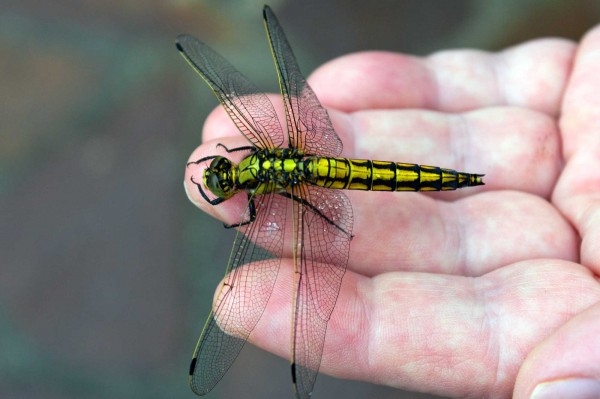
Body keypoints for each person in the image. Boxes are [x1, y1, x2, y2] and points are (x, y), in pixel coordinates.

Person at [184, 26, 600, 398]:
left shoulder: (258, 195)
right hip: (313, 168)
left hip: (325, 173)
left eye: (223, 174)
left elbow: (252, 215)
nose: (224, 176)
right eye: (224, 176)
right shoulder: (258, 155)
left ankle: (461, 177)